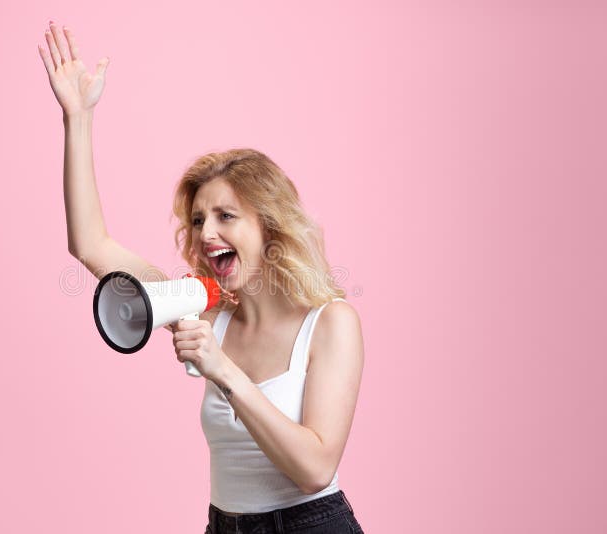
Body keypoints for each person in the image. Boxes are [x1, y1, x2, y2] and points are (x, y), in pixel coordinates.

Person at [38, 21, 366, 533]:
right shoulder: (201, 309)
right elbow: (91, 245)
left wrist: (223, 369)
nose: (206, 232)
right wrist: (77, 118)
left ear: (268, 224)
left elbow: (315, 469)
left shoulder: (330, 324)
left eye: (225, 216)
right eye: (197, 220)